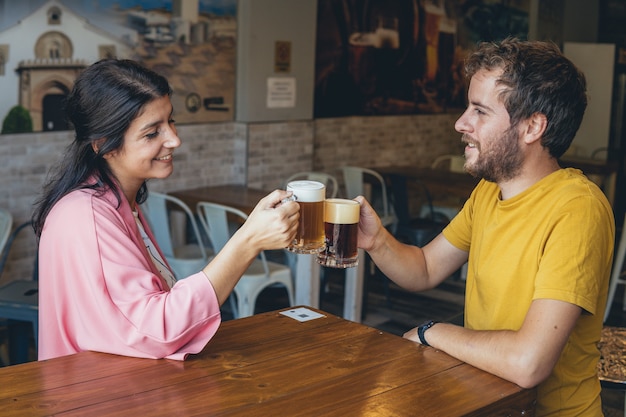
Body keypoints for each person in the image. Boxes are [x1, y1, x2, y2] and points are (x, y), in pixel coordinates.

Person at [355, 38, 615, 415]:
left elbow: (529, 363)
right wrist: (377, 241)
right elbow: (425, 268)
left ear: (532, 127)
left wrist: (432, 332)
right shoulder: (488, 194)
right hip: (488, 403)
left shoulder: (578, 209)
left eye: (479, 111)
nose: (461, 123)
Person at [32, 59, 299, 361]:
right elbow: (159, 329)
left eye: (170, 121)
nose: (174, 139)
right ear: (104, 143)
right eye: (151, 133)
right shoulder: (87, 215)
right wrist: (247, 241)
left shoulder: (117, 202)